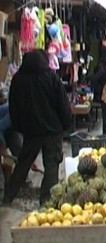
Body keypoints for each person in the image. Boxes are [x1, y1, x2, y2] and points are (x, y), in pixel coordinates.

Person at [2, 49, 72, 206]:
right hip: (52, 131)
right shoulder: (51, 78)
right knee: (51, 166)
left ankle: (8, 197)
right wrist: (66, 125)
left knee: (23, 164)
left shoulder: (18, 79)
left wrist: (20, 127)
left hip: (31, 132)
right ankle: (46, 202)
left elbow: (14, 106)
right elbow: (62, 104)